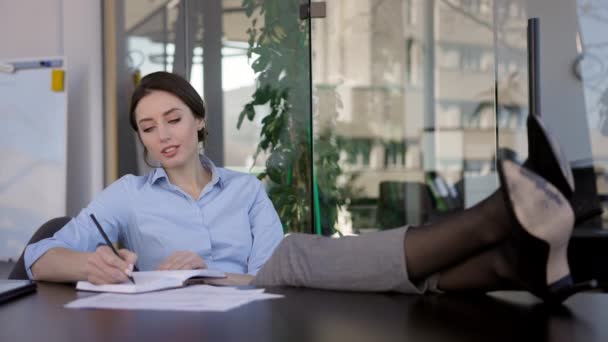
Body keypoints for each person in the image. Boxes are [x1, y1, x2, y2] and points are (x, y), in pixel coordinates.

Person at [251, 115, 599, 305]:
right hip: (226, 292)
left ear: (202, 122)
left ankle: (510, 263)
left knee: (291, 253)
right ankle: (504, 216)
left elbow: (261, 257)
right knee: (292, 254)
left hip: (242, 284)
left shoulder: (244, 187)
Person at [25, 71, 283, 285]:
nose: (162, 136)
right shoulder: (127, 195)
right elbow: (38, 258)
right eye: (148, 128)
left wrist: (205, 275)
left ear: (199, 119)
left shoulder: (247, 191)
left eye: (173, 119)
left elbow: (272, 281)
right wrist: (91, 266)